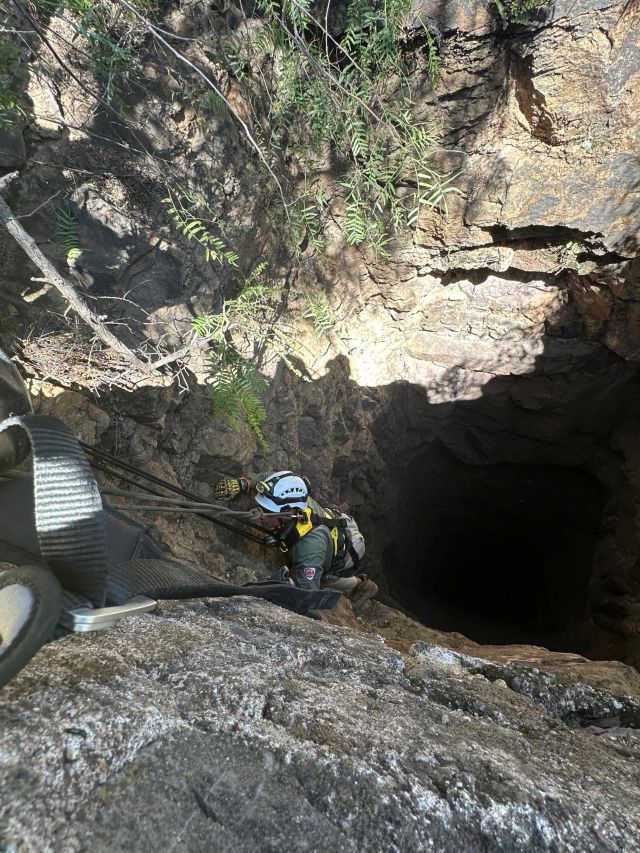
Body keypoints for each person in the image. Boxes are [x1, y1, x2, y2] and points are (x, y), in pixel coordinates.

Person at [214, 470, 378, 605]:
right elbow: (273, 482)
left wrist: (284, 585)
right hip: (327, 533)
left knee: (324, 578)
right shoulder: (293, 496)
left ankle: (362, 585)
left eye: (268, 512)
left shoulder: (309, 549)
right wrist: (244, 484)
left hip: (337, 554)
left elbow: (306, 595)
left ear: (288, 513)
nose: (261, 515)